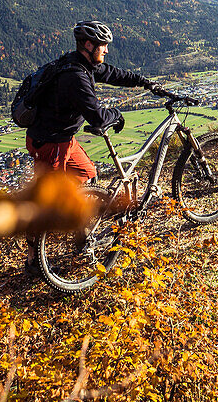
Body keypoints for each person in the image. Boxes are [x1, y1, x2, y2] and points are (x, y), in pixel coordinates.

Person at [24, 19, 164, 273]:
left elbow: (112, 74)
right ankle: (35, 258)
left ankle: (75, 224)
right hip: (51, 144)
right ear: (88, 45)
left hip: (60, 140)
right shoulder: (75, 76)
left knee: (87, 174)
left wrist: (143, 82)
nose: (107, 50)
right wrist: (117, 115)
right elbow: (98, 117)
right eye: (103, 45)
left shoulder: (79, 62)